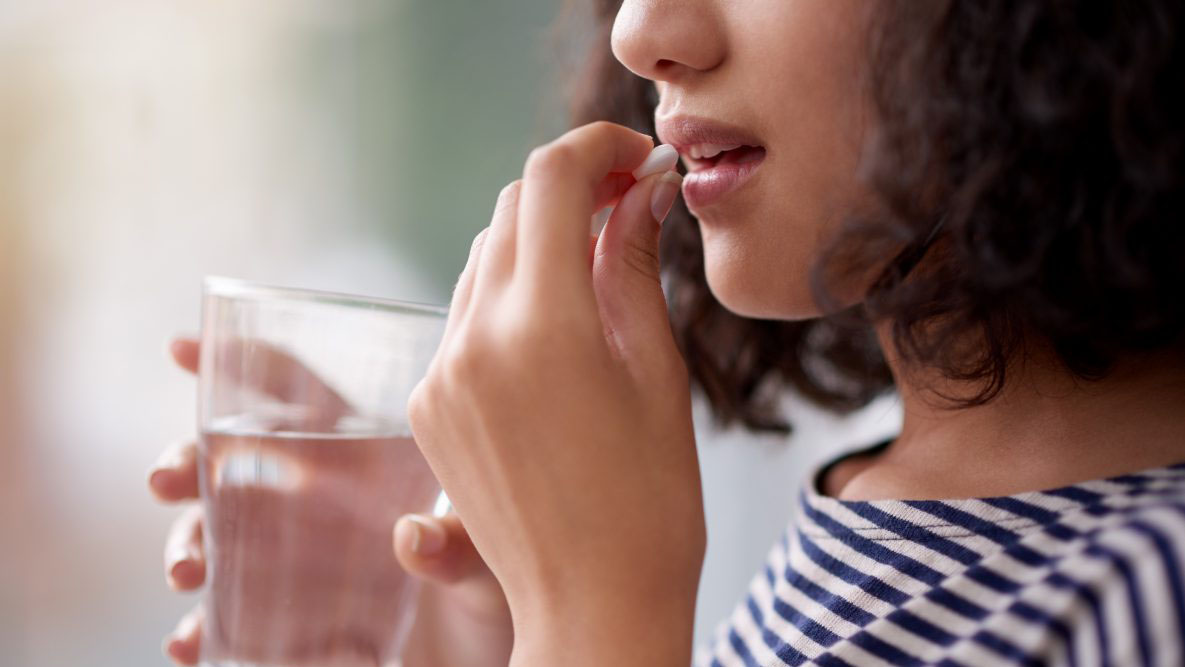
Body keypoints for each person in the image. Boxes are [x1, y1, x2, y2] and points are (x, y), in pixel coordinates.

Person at [148, 0, 1185, 665]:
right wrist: (485, 626)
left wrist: (594, 618)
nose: (639, 32)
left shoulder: (1150, 594)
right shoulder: (875, 508)